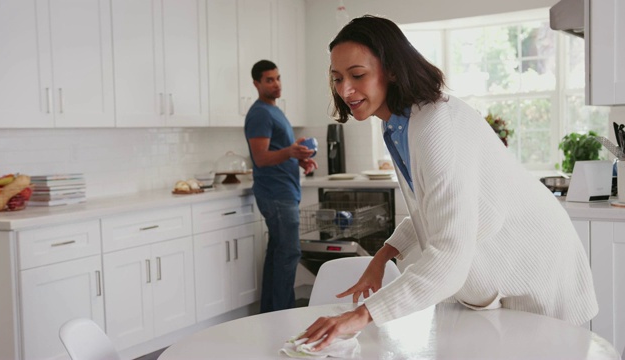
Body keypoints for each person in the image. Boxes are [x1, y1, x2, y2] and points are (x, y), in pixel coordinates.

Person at [300, 15, 598, 351]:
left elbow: (449, 256)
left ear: (393, 70)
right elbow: (436, 211)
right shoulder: (398, 127)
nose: (345, 90)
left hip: (539, 274)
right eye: (337, 78)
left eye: (358, 75)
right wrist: (383, 256)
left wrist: (362, 315)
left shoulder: (437, 125)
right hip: (500, 282)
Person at [244, 60, 318, 313]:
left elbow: (279, 152)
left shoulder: (275, 111)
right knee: (288, 254)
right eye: (269, 80)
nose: (276, 84)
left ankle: (271, 314)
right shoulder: (260, 113)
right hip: (276, 195)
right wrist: (290, 152)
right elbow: (261, 158)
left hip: (285, 191)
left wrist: (300, 159)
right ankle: (285, 314)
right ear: (256, 83)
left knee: (278, 255)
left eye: (277, 78)